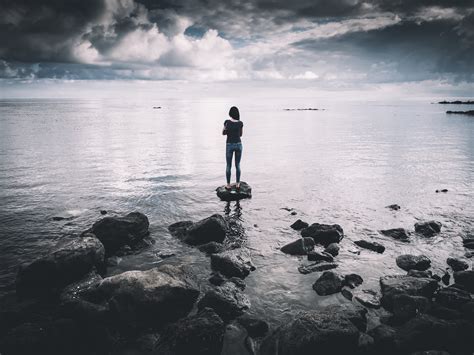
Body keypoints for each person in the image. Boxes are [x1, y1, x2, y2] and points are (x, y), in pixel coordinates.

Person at [222, 106, 243, 190]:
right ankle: (238, 184)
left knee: (228, 165)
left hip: (229, 145)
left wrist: (225, 128)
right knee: (237, 165)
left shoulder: (227, 122)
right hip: (238, 144)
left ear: (230, 113)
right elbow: (241, 135)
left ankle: (228, 185)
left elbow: (223, 133)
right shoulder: (240, 123)